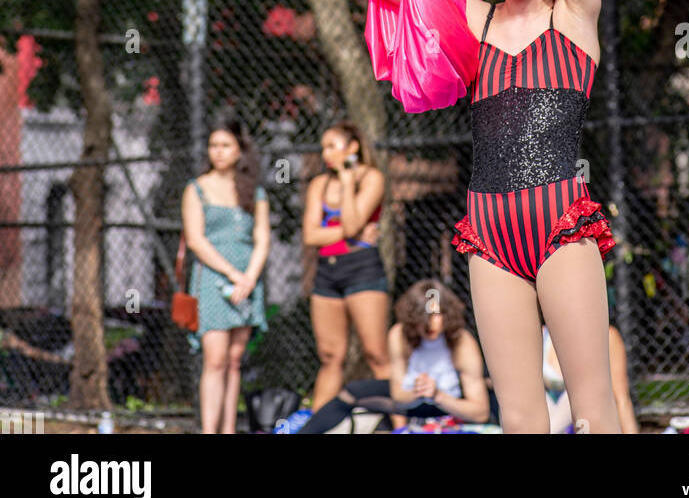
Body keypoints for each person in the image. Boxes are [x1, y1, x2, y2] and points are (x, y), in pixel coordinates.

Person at [351, 0, 621, 435]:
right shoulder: (474, 18)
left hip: (560, 225)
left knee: (593, 408)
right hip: (489, 233)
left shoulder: (577, 11)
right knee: (520, 416)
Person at [295, 278, 490, 433]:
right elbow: (398, 395)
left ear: (447, 314)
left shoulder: (462, 343)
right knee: (350, 393)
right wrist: (418, 390)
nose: (430, 324)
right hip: (411, 402)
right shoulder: (400, 335)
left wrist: (437, 395)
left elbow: (480, 412)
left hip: (449, 406)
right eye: (424, 317)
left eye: (436, 315)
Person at [181, 111, 270, 434]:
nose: (217, 151)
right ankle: (209, 430)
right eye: (212, 145)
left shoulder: (255, 193)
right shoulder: (196, 189)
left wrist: (249, 278)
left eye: (225, 145)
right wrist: (233, 274)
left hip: (248, 282)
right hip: (214, 280)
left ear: (239, 150)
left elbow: (262, 240)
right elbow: (196, 240)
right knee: (215, 359)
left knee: (234, 361)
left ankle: (229, 429)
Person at [302, 120, 390, 409]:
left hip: (362, 268)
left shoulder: (371, 178)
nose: (326, 153)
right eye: (323, 147)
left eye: (332, 146)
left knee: (376, 353)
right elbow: (311, 234)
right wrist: (352, 232)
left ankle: (402, 426)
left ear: (352, 147)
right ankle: (316, 427)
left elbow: (352, 223)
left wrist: (349, 182)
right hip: (328, 272)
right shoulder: (320, 183)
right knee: (330, 356)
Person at [543, 323, 640, 433]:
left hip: (584, 421)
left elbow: (622, 399)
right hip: (553, 416)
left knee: (582, 391)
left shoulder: (607, 336)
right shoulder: (541, 336)